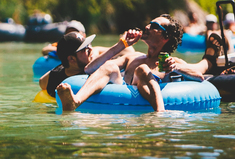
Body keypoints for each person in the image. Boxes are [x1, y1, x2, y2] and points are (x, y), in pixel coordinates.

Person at [56, 14, 185, 113]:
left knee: (143, 69)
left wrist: (176, 67)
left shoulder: (172, 63)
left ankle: (159, 113)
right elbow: (89, 69)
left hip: (143, 108)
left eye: (154, 26)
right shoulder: (133, 57)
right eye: (149, 23)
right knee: (110, 65)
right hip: (122, 98)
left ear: (165, 37)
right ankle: (75, 101)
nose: (147, 27)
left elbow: (199, 75)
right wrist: (121, 45)